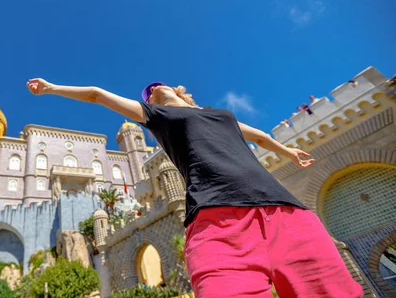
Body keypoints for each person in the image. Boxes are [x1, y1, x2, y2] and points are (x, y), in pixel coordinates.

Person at [26, 78, 363, 298]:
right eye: (148, 92)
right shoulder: (157, 116)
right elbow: (98, 95)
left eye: (155, 86)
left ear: (175, 87)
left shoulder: (220, 115)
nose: (152, 90)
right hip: (217, 226)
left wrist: (287, 151)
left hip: (286, 215)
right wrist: (52, 89)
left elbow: (258, 136)